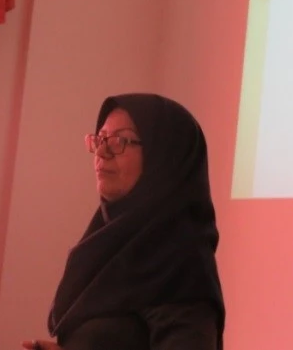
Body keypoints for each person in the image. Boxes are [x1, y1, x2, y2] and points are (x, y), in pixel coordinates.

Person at [22, 93, 225, 350]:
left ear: (163, 157)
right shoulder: (106, 244)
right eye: (100, 139)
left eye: (120, 141)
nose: (102, 152)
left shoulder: (181, 266)